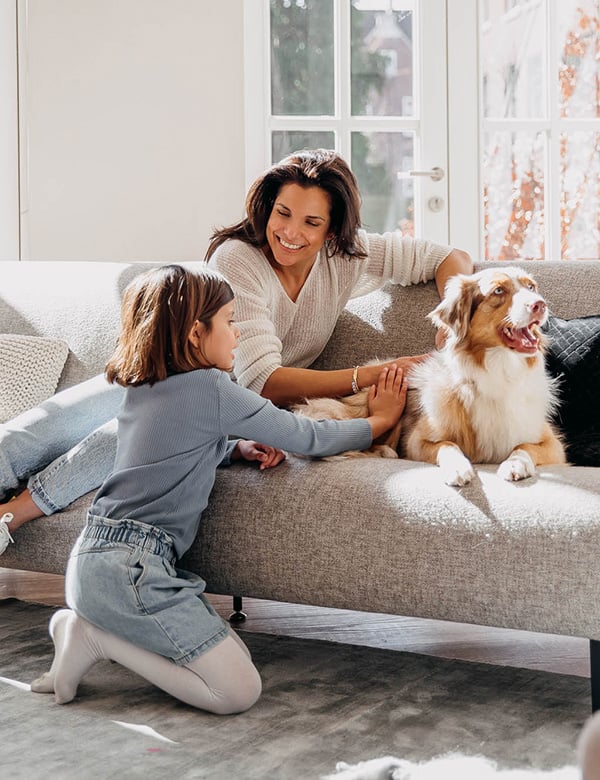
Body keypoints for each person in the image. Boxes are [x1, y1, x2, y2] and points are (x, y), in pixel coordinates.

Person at [0, 148, 471, 550]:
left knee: (141, 426)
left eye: (311, 222)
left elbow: (450, 258)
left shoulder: (346, 256)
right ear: (266, 207)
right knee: (26, 439)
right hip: (165, 372)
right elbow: (264, 380)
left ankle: (11, 516)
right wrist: (368, 377)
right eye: (282, 213)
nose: (290, 232)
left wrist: (454, 323)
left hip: (210, 403)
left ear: (332, 231)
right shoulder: (237, 260)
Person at [30, 264, 407, 712]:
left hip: (99, 558)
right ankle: (93, 637)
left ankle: (84, 632)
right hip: (132, 568)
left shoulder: (149, 385)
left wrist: (235, 449)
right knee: (235, 692)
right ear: (195, 333)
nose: (237, 335)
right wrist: (378, 422)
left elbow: (168, 453)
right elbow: (306, 436)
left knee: (234, 660)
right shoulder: (211, 387)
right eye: (230, 322)